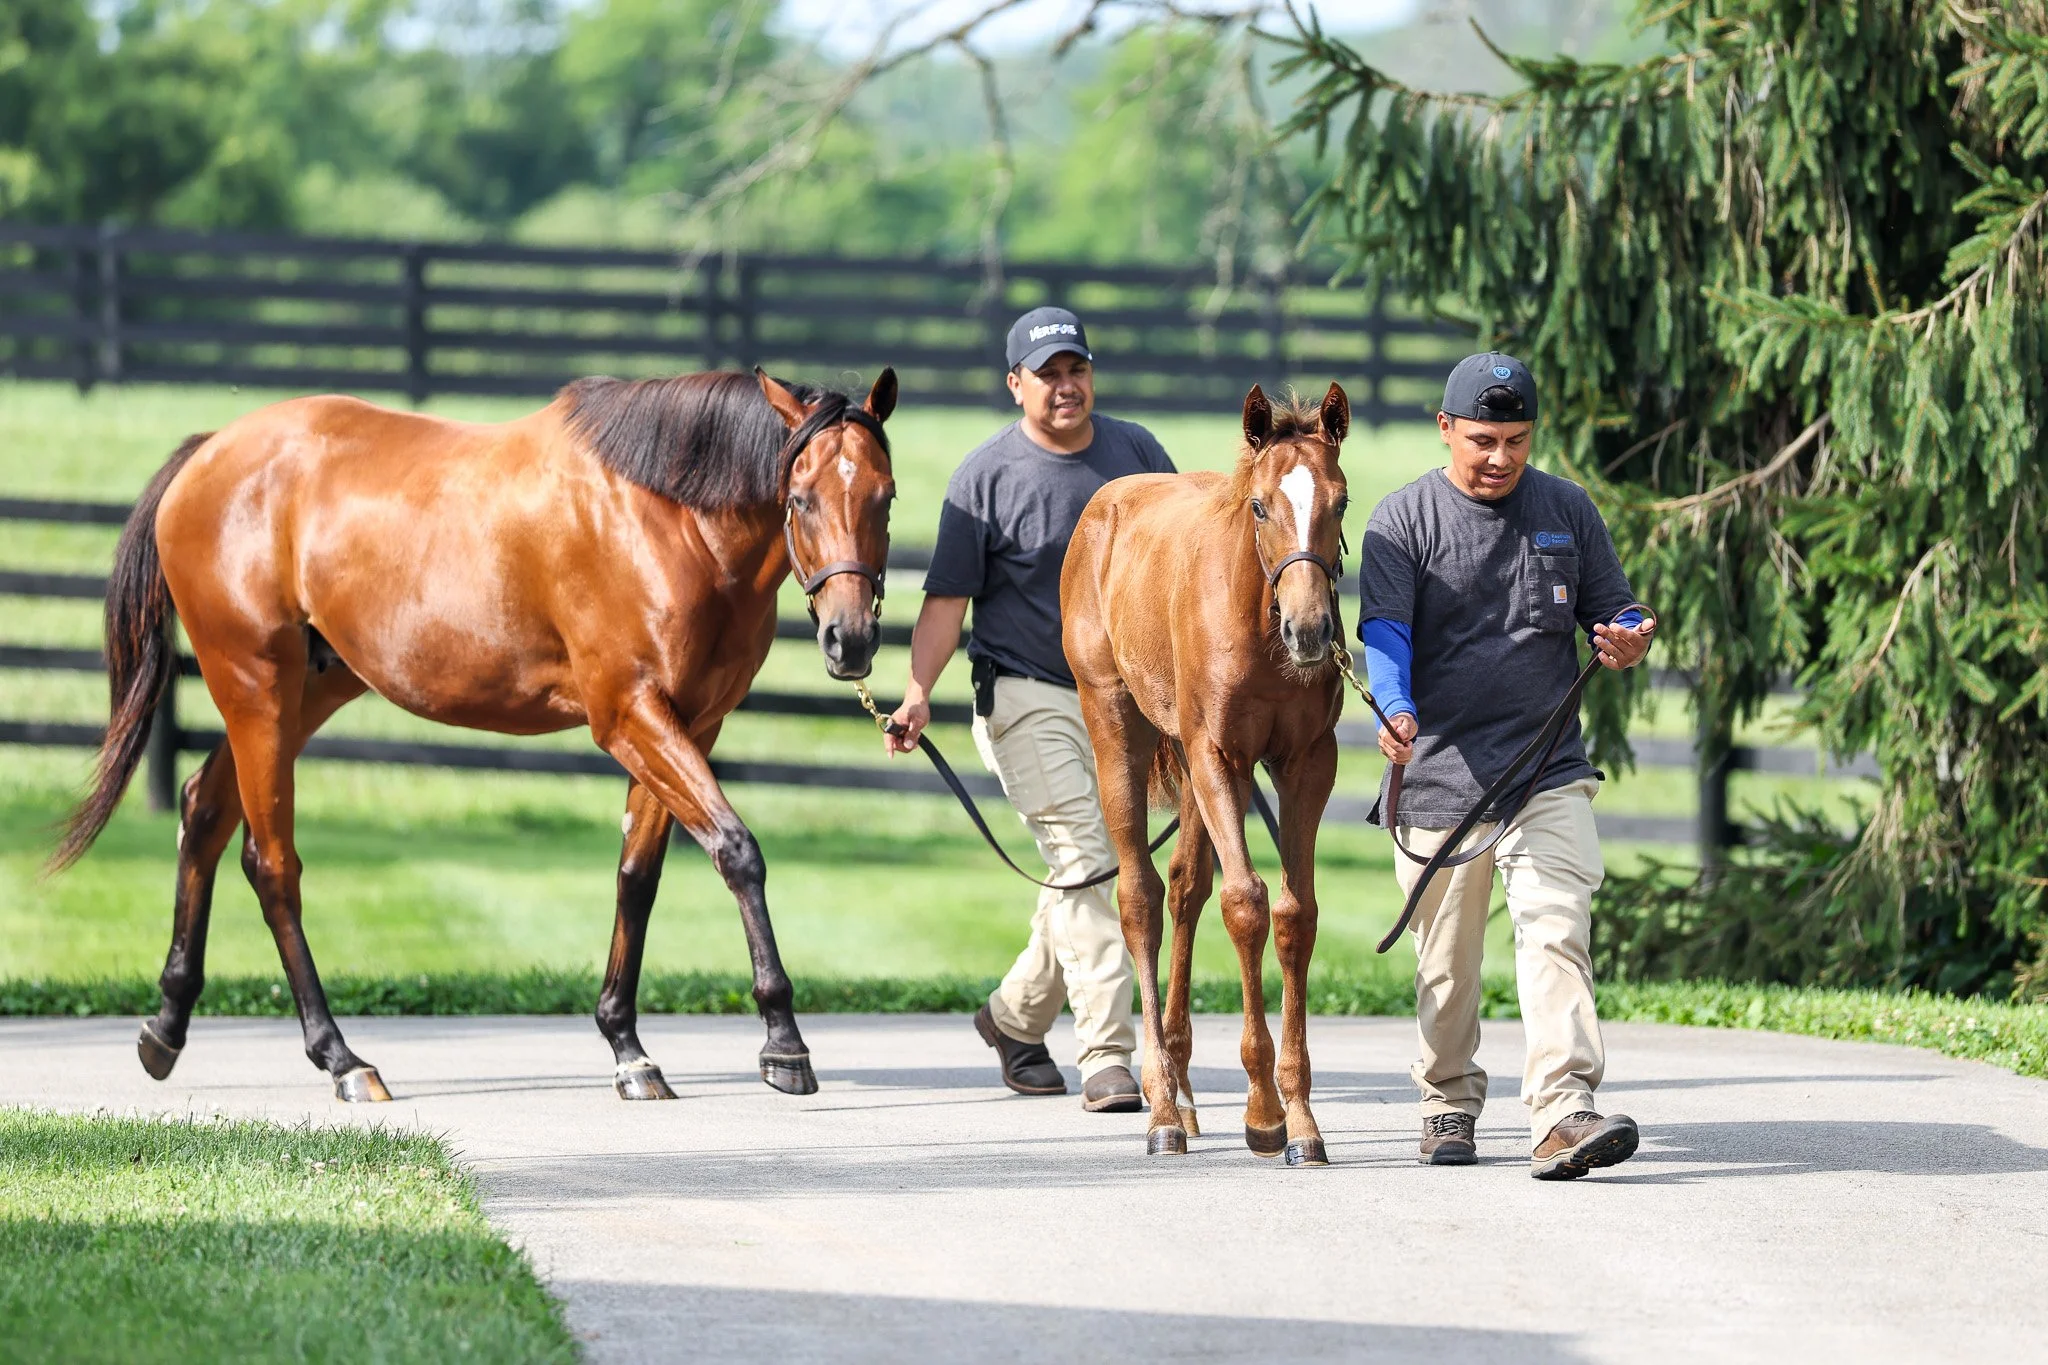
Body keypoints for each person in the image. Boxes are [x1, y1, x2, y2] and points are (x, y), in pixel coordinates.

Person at [1357, 352, 1655, 1180]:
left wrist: (1629, 635)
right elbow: (1385, 632)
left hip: (1546, 769)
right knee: (1448, 966)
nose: (1499, 457)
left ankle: (1562, 1111)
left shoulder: (1567, 508)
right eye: (1482, 440)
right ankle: (1446, 1098)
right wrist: (1394, 707)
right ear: (1445, 428)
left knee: (1557, 928)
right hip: (1440, 780)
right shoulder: (1403, 519)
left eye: (1516, 440)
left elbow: (1616, 606)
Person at [884, 306, 1174, 1113]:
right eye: (1047, 375)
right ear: (1016, 384)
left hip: (1119, 704)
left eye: (1076, 369)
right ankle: (1109, 1054)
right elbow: (947, 602)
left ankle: (1013, 1019)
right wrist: (917, 692)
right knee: (1093, 858)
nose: (1065, 386)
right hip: (1025, 694)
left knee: (1081, 869)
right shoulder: (985, 478)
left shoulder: (1138, 456)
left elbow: (1176, 567)